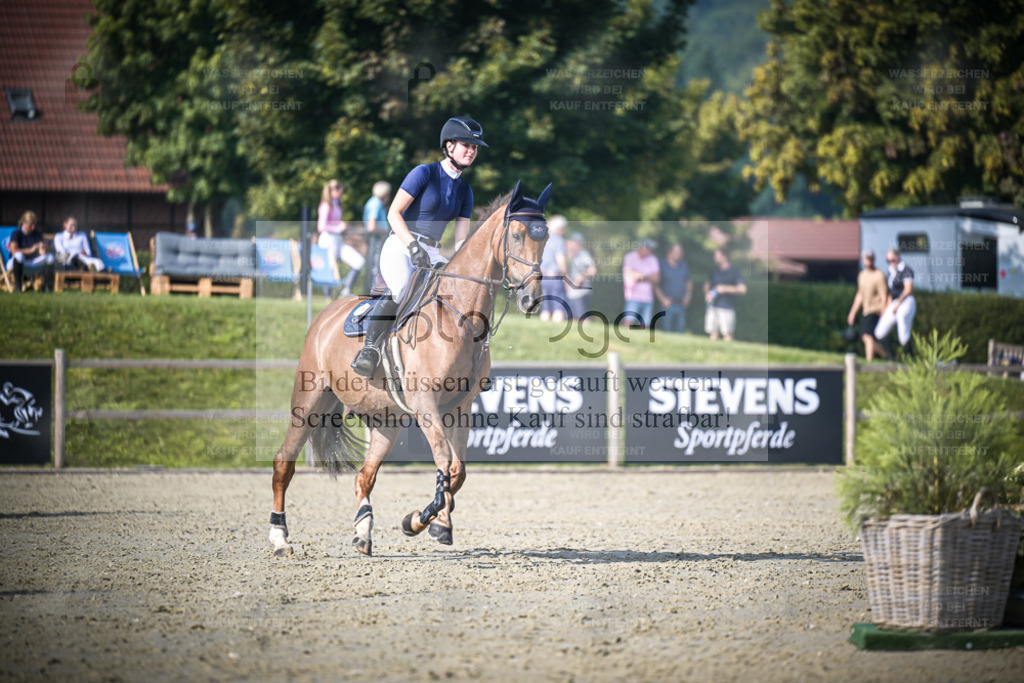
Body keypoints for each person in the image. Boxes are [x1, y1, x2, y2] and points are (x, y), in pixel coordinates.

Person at [350, 116, 486, 377]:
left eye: (475, 147)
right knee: (401, 287)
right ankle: (369, 350)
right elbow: (393, 213)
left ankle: (469, 361)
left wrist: (468, 265)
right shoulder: (424, 173)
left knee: (460, 294)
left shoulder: (465, 191)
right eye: (466, 144)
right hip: (401, 244)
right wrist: (412, 246)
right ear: (449, 146)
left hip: (433, 252)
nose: (471, 151)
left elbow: (460, 240)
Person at [317, 179, 365, 297]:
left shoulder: (337, 204)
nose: (342, 193)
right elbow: (321, 227)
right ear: (334, 190)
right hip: (328, 240)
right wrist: (338, 228)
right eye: (340, 190)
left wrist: (342, 227)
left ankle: (346, 290)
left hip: (337, 239)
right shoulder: (326, 205)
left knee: (358, 261)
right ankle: (327, 297)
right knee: (329, 268)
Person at [846, 248, 888, 360]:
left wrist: (883, 312)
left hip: (875, 310)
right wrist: (853, 312)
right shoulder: (862, 275)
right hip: (866, 310)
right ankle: (886, 354)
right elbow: (860, 295)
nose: (869, 261)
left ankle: (869, 361)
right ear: (863, 260)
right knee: (867, 338)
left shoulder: (879, 275)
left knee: (867, 337)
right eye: (867, 259)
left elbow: (884, 295)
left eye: (871, 258)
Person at [874, 247, 916, 358]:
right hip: (893, 302)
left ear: (898, 257)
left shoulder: (906, 270)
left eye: (893, 260)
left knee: (903, 329)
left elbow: (908, 289)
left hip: (906, 301)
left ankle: (910, 357)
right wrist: (884, 310)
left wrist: (898, 303)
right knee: (879, 332)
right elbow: (890, 294)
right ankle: (891, 357)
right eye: (888, 261)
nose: (891, 263)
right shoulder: (891, 272)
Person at [703, 247, 747, 341]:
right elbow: (708, 284)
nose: (714, 257)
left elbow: (743, 289)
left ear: (724, 256)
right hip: (713, 306)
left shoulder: (734, 271)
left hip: (726, 308)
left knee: (727, 335)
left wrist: (725, 289)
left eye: (717, 255)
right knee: (713, 334)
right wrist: (707, 293)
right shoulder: (714, 270)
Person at [5, 211, 55, 292]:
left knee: (50, 257)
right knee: (19, 256)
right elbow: (13, 251)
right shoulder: (16, 234)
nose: (33, 227)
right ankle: (18, 287)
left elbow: (42, 251)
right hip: (16, 264)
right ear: (24, 223)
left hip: (32, 262)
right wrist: (31, 250)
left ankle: (46, 287)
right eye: (31, 225)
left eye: (34, 225)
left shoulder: (37, 234)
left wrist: (43, 250)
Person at [621, 238, 660, 328]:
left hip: (648, 297)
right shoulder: (630, 257)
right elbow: (633, 275)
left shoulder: (653, 259)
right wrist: (647, 277)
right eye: (649, 248)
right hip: (633, 296)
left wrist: (641, 276)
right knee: (628, 321)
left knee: (645, 325)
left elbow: (656, 278)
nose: (650, 251)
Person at [654, 242, 692, 333]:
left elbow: (688, 281)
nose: (679, 254)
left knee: (680, 330)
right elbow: (655, 284)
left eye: (680, 252)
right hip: (667, 304)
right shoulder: (661, 265)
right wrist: (663, 299)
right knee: (666, 330)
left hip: (680, 304)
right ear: (669, 253)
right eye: (677, 252)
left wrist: (688, 296)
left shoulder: (683, 265)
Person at [362, 181, 391, 295]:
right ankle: (373, 294)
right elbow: (371, 226)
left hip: (377, 240)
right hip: (376, 240)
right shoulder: (376, 204)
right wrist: (387, 231)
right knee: (375, 269)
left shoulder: (374, 202)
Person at [539, 215, 569, 321]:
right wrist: (566, 275)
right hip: (555, 277)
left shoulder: (543, 239)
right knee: (558, 306)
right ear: (561, 228)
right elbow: (560, 260)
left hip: (542, 277)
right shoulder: (558, 240)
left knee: (546, 307)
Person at [565, 231, 597, 320]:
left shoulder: (583, 254)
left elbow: (593, 270)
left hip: (580, 293)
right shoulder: (570, 255)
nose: (568, 244)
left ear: (578, 243)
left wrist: (581, 277)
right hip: (571, 293)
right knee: (572, 318)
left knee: (583, 319)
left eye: (571, 242)